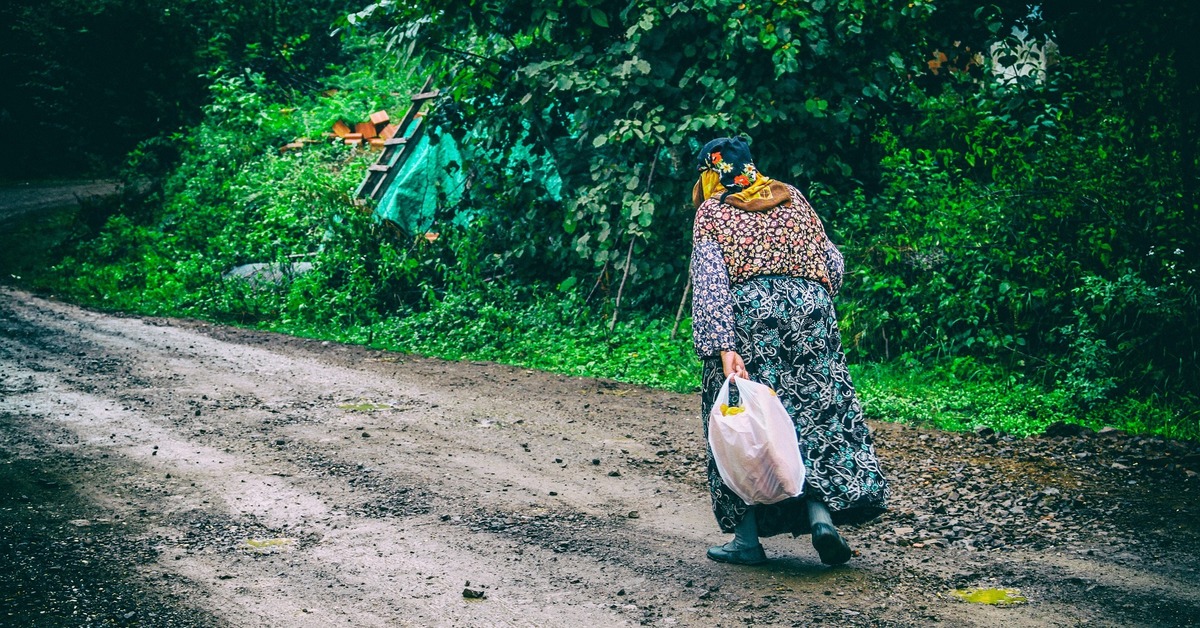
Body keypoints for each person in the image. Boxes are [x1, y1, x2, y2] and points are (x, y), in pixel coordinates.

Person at [690, 136, 889, 566]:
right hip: (810, 316)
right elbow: (832, 263)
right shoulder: (792, 197)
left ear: (713, 172)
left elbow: (709, 285)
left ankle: (746, 541)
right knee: (812, 416)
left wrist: (724, 346)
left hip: (749, 321)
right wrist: (806, 300)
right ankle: (822, 520)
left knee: (739, 421)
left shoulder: (713, 211)